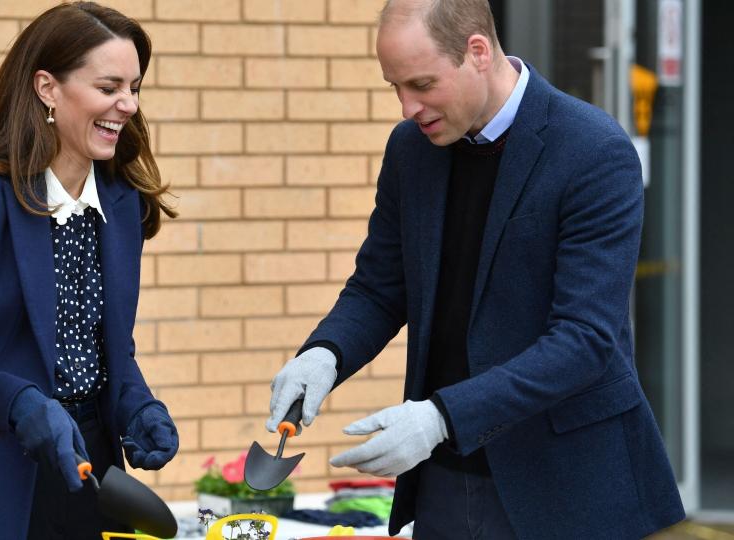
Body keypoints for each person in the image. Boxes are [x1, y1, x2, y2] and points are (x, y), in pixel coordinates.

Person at [265, 0, 685, 538]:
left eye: (421, 83)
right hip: (445, 475)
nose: (406, 107)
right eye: (395, 86)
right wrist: (326, 353)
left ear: (478, 52)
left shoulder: (593, 150)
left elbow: (583, 340)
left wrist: (439, 416)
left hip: (567, 481)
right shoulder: (410, 150)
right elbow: (379, 286)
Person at [0, 3, 178, 539]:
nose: (128, 105)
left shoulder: (121, 203)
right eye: (109, 86)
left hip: (92, 472)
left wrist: (137, 403)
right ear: (48, 88)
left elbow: (102, 345)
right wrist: (19, 402)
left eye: (135, 88)